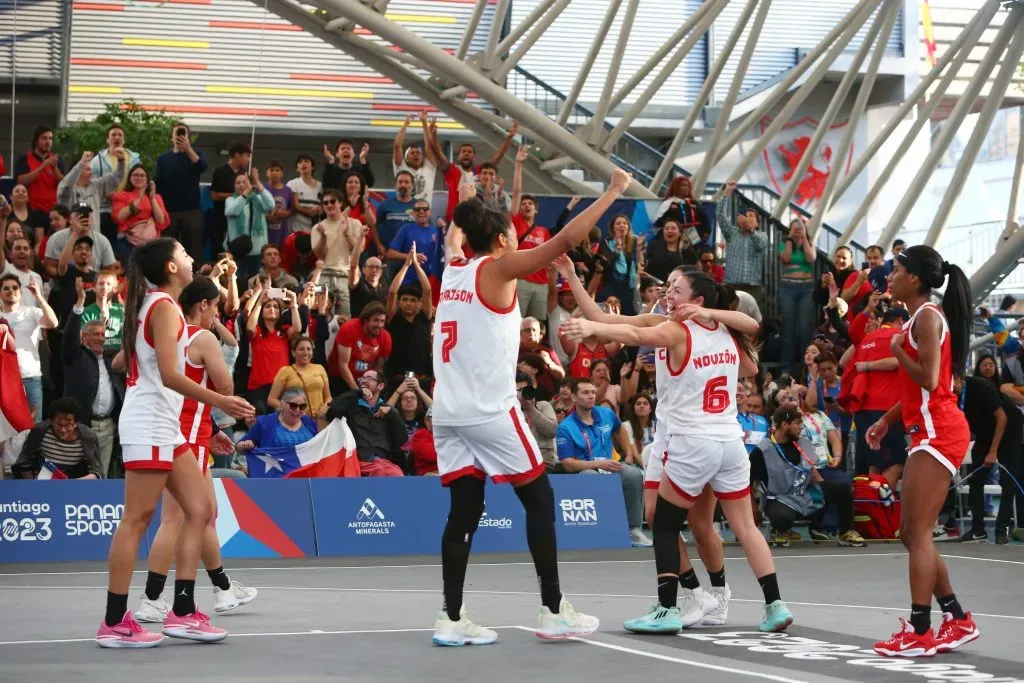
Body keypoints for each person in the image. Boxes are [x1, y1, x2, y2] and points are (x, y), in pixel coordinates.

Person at [428, 171, 629, 647]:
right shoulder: (495, 270)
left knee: (464, 511)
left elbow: (456, 231)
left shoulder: (453, 268)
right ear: (500, 240)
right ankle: (555, 609)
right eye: (512, 231)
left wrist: (465, 197)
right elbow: (566, 238)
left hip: (448, 414)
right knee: (539, 499)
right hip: (489, 410)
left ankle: (451, 617)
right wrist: (614, 192)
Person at [560, 266, 793, 635]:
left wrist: (592, 331)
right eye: (667, 286)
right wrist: (574, 280)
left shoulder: (678, 329)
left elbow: (632, 333)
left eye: (676, 288)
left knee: (668, 523)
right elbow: (611, 317)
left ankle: (675, 604)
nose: (667, 293)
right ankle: (771, 603)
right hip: (726, 441)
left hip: (690, 439)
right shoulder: (717, 332)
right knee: (734, 525)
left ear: (697, 301)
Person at [97, 238, 253, 649]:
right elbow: (168, 374)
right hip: (149, 422)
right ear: (170, 267)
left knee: (200, 510)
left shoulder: (162, 306)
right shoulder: (163, 307)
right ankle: (115, 621)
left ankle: (182, 612)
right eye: (184, 254)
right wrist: (221, 401)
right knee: (137, 519)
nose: (189, 258)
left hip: (168, 425)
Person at [866, 245, 977, 657]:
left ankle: (920, 631)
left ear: (914, 278)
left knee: (916, 534)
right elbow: (927, 386)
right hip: (928, 429)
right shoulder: (923, 318)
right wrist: (886, 420)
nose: (889, 276)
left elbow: (930, 381)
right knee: (913, 534)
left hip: (937, 432)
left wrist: (896, 351)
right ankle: (957, 619)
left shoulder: (926, 317)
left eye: (895, 270)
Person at [136, 276, 258, 624]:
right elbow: (225, 385)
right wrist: (214, 329)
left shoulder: (169, 334)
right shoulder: (201, 337)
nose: (217, 313)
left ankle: (221, 587)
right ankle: (152, 598)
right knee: (177, 519)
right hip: (185, 436)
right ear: (203, 305)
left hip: (189, 431)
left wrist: (215, 429)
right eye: (215, 306)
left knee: (206, 513)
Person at [555, 377, 649, 547]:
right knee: (591, 476)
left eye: (592, 392)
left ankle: (634, 530)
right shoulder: (566, 427)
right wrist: (597, 464)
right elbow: (567, 464)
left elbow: (619, 428)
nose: (591, 396)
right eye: (585, 393)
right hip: (584, 469)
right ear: (574, 398)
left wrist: (628, 452)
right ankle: (598, 530)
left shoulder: (606, 414)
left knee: (634, 475)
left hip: (610, 466)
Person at [0, 273, 58, 418]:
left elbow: (53, 323)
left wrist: (39, 296)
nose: (10, 291)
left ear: (20, 292)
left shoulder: (31, 312)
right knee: (7, 430)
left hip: (30, 378)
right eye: (6, 288)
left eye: (14, 287)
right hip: (4, 381)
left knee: (34, 428)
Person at [12, 397, 103, 479]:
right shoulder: (40, 431)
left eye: (68, 425)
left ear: (76, 423)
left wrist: (75, 483)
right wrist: (32, 484)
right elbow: (25, 462)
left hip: (76, 482)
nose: (63, 430)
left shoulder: (87, 436)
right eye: (58, 424)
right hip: (44, 481)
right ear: (52, 421)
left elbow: (96, 472)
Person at [267, 335, 331, 419]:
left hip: (319, 419)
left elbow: (328, 397)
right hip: (297, 420)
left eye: (309, 349)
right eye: (301, 349)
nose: (305, 352)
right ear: (293, 352)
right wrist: (291, 410)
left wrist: (325, 407)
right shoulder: (285, 371)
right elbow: (271, 399)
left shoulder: (320, 368)